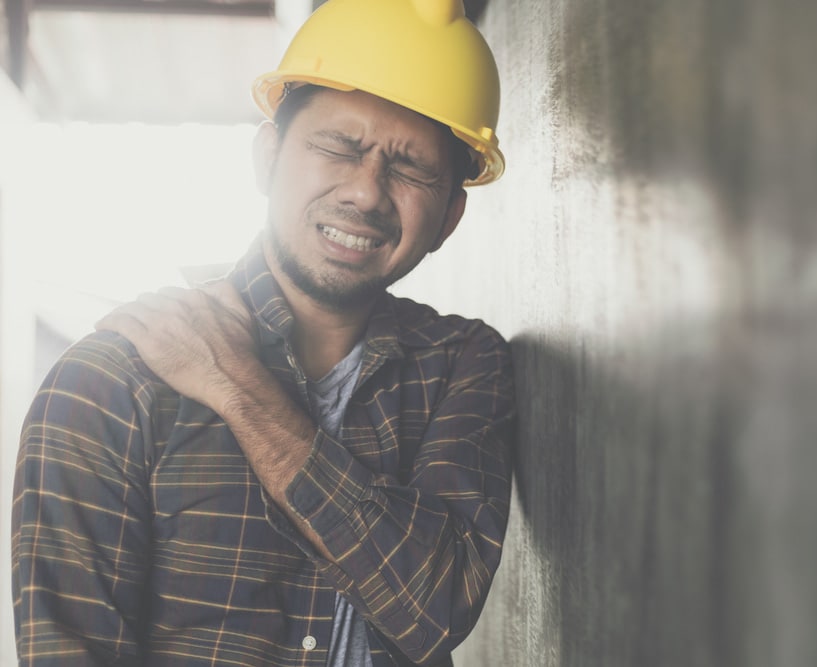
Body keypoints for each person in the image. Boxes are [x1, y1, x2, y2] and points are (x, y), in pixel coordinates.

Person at [10, 1, 515, 665]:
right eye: (339, 146)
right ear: (268, 156)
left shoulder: (461, 364)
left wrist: (243, 390)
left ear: (450, 216)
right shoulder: (112, 383)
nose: (366, 192)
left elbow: (435, 609)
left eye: (411, 167)